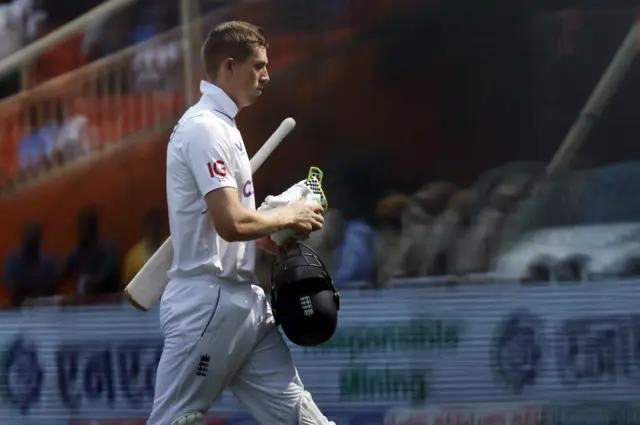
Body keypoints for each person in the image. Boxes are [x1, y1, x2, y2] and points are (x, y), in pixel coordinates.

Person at [148, 21, 331, 425]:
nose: (267, 75)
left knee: (303, 420)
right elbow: (230, 222)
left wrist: (265, 237)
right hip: (207, 303)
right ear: (229, 66)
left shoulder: (223, 126)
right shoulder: (204, 129)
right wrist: (288, 214)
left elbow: (228, 230)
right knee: (174, 420)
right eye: (258, 66)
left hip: (243, 304)